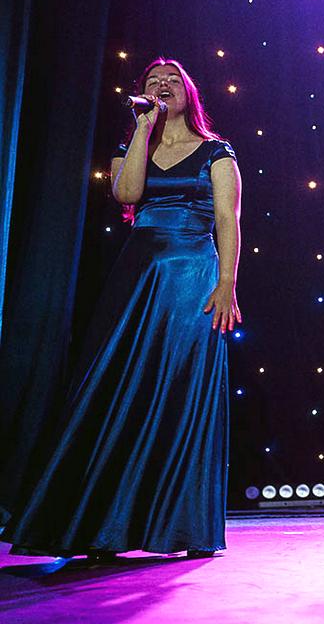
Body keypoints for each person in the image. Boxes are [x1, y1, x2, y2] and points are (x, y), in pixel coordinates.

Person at [1, 58, 241, 558]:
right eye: (153, 82)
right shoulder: (131, 147)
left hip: (193, 278)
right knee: (120, 383)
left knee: (181, 387)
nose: (163, 85)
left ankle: (182, 525)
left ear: (189, 94)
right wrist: (143, 129)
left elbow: (227, 219)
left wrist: (227, 284)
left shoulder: (217, 151)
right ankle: (107, 522)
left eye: (172, 81)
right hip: (138, 276)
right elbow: (127, 193)